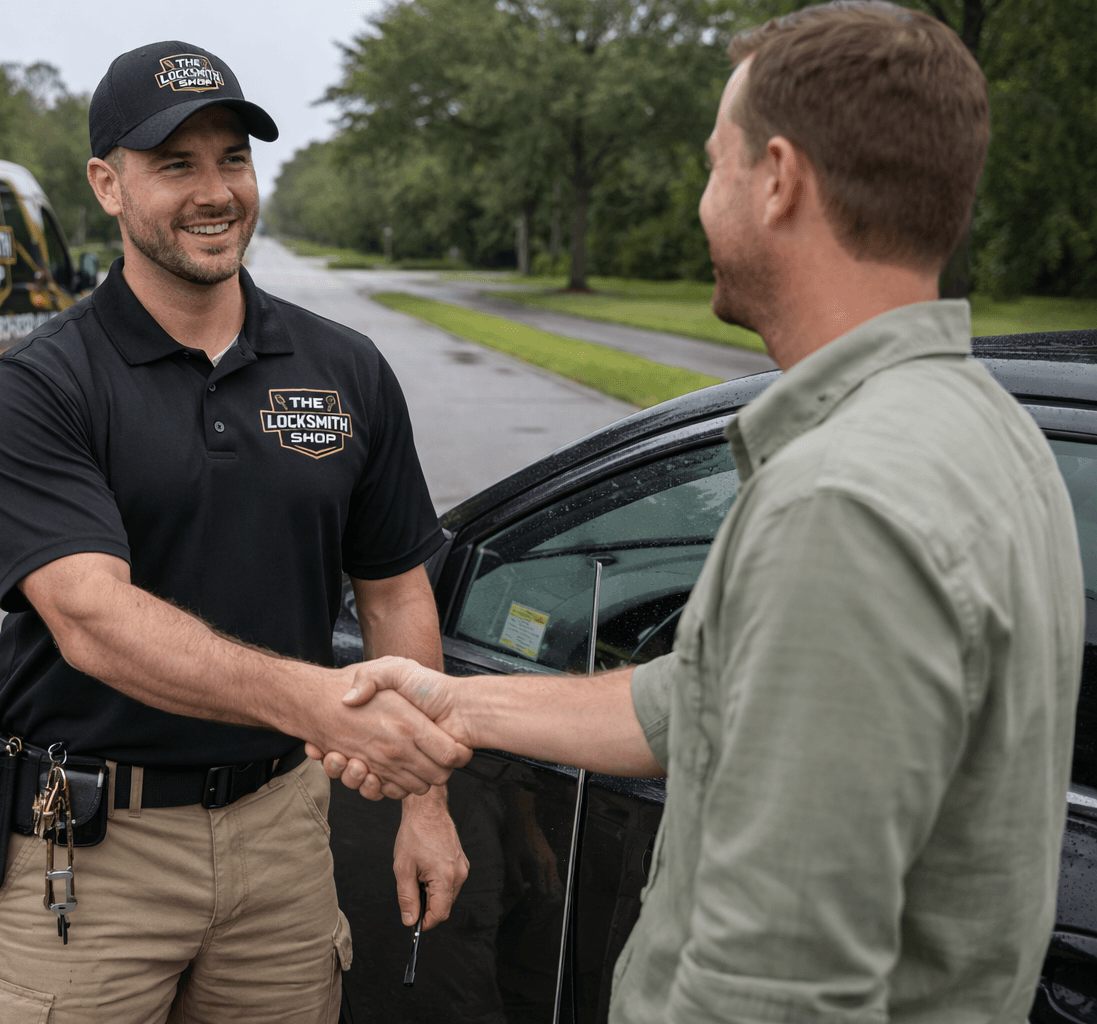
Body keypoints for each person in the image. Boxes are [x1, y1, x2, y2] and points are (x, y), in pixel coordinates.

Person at [311, 3, 1086, 1021]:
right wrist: (454, 701)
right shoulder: (990, 432)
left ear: (777, 179)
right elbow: (713, 697)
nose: (704, 198)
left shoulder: (841, 505)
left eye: (714, 165)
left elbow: (775, 982)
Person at [0, 40, 470, 1024]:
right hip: (90, 845)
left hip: (282, 830)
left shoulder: (346, 368)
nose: (215, 191)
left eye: (232, 157)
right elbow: (93, 620)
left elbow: (396, 587)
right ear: (108, 184)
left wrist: (424, 801)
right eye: (176, 163)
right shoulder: (38, 387)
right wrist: (318, 701)